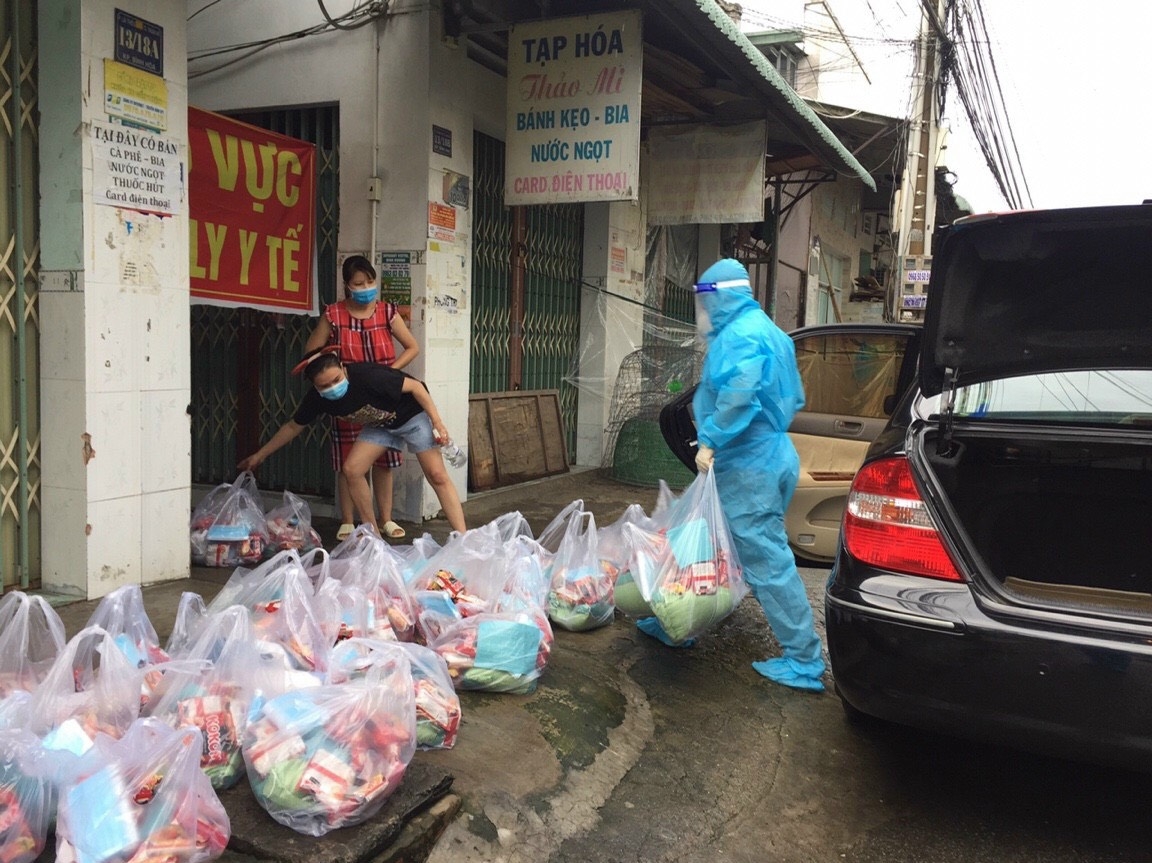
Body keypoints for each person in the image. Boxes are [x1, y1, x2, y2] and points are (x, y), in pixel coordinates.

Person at [689, 258, 826, 693]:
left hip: (749, 464)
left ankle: (804, 660)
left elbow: (739, 394)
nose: (702, 312)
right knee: (711, 544)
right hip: (768, 456)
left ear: (720, 296)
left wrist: (710, 438)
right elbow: (790, 395)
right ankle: (679, 615)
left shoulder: (741, 336)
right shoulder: (767, 329)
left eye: (705, 301)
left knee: (766, 561)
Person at [237, 347, 467, 535]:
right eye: (324, 386)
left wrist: (437, 423)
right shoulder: (317, 399)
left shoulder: (369, 377)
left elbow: (416, 387)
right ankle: (373, 538)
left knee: (437, 475)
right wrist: (260, 455)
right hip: (380, 426)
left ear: (343, 368)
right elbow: (292, 426)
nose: (332, 388)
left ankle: (462, 536)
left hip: (411, 417)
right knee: (352, 469)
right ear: (315, 386)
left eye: (336, 379)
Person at [305, 254, 419, 541]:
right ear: (347, 286)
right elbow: (312, 353)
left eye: (370, 281)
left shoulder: (387, 312)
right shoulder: (333, 315)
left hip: (383, 396)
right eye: (359, 283)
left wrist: (389, 375)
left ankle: (386, 519)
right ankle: (347, 519)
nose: (366, 287)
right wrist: (333, 368)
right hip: (348, 396)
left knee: (384, 459)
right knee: (349, 460)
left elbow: (411, 347)